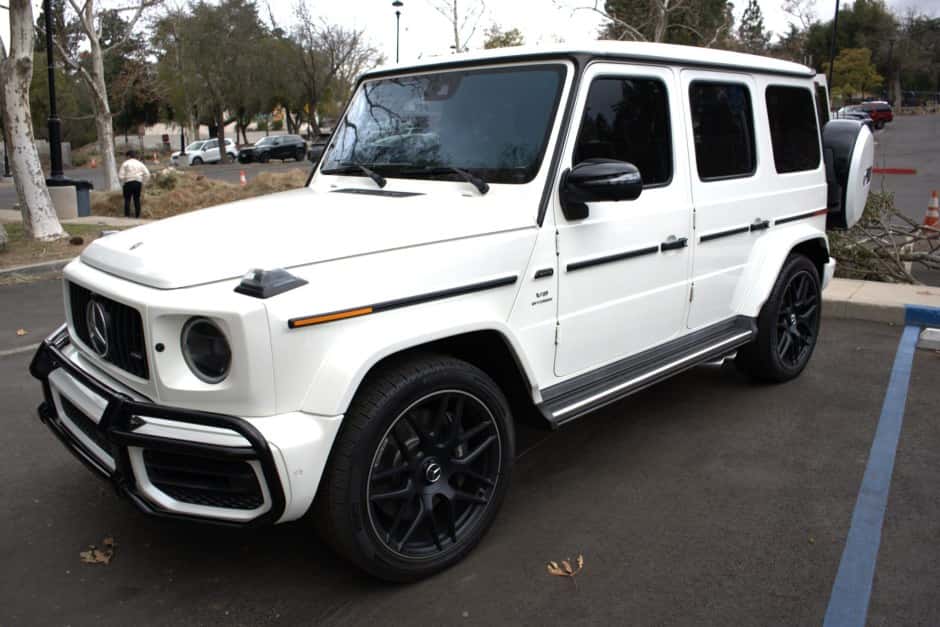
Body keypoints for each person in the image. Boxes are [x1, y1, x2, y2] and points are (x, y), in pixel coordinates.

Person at [118, 150, 150, 218]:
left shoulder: (125, 163)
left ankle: (127, 215)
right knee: (137, 199)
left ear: (128, 156)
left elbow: (120, 176)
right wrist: (143, 182)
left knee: (127, 199)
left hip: (128, 182)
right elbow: (147, 174)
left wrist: (123, 181)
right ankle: (137, 216)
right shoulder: (140, 163)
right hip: (138, 182)